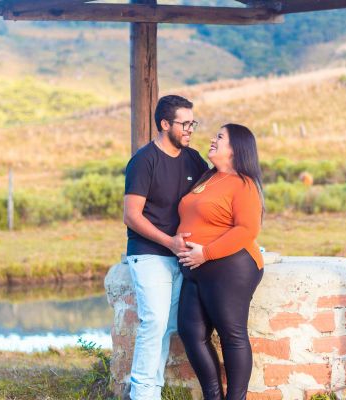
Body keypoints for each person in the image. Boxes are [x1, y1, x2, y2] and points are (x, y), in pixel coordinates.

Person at [123, 95, 209, 400]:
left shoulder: (193, 159)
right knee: (155, 321)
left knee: (168, 325)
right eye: (184, 124)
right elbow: (131, 215)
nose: (190, 129)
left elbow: (211, 196)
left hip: (182, 257)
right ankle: (142, 394)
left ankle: (150, 390)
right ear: (164, 124)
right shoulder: (144, 161)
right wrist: (169, 242)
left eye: (192, 123)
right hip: (149, 254)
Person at [176, 123, 265, 400]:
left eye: (220, 137)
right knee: (190, 332)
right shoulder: (208, 178)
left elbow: (247, 230)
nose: (212, 140)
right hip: (196, 268)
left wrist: (206, 253)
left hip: (230, 267)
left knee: (232, 335)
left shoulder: (244, 183)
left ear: (235, 149)